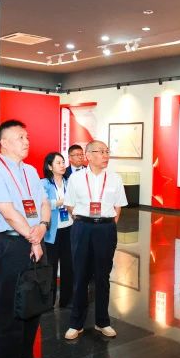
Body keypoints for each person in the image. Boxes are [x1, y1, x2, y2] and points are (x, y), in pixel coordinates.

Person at [0, 120, 52, 358]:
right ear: (4, 142)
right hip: (11, 244)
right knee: (9, 307)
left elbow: (43, 203)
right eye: (20, 137)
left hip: (35, 239)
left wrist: (42, 227)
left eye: (27, 137)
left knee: (32, 301)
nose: (26, 141)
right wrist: (33, 238)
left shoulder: (30, 171)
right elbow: (8, 212)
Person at [63, 140, 127, 339]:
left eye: (107, 151)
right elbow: (70, 205)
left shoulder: (115, 178)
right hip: (82, 227)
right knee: (80, 275)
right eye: (101, 152)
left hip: (106, 229)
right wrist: (84, 221)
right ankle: (76, 323)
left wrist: (107, 225)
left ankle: (102, 321)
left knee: (102, 276)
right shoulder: (76, 179)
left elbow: (118, 206)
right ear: (88, 156)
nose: (106, 155)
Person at [40, 152, 75, 308]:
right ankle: (49, 301)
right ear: (50, 166)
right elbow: (43, 203)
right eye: (58, 163)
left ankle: (66, 300)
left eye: (63, 162)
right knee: (51, 266)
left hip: (69, 228)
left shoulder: (69, 182)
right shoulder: (44, 183)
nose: (62, 165)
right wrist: (60, 202)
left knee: (68, 265)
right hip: (52, 231)